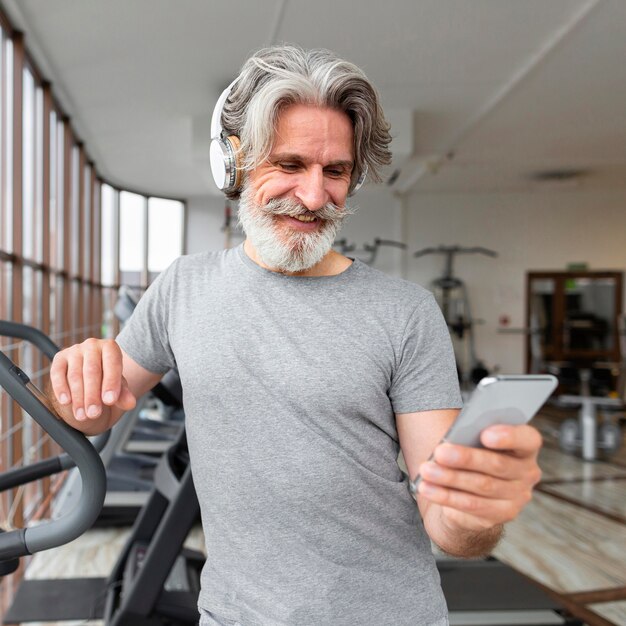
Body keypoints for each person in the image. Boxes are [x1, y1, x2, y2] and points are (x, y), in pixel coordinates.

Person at [48, 46, 542, 626]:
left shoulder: (407, 313)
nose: (313, 197)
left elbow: (447, 521)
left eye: (335, 172)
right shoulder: (182, 287)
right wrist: (73, 376)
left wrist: (476, 510)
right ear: (233, 163)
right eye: (289, 164)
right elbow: (91, 412)